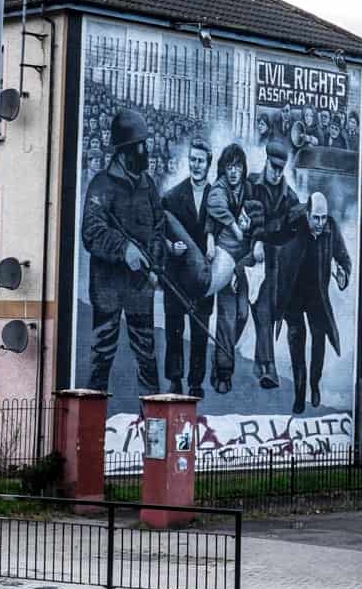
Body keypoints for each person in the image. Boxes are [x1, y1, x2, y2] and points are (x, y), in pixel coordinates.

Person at [81, 108, 165, 395]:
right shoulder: (101, 185)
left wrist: (153, 266)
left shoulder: (148, 185)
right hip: (107, 288)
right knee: (102, 356)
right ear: (128, 149)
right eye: (142, 144)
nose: (147, 150)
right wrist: (124, 248)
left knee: (147, 358)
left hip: (141, 286)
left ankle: (153, 425)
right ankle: (91, 427)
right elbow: (91, 232)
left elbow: (159, 227)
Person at [277, 191, 351, 413]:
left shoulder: (331, 228)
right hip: (293, 295)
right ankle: (300, 394)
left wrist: (342, 276)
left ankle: (314, 385)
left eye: (323, 218)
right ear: (307, 214)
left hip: (317, 295)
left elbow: (344, 259)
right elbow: (273, 237)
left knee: (319, 341)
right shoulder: (293, 224)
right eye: (315, 218)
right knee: (296, 342)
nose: (320, 223)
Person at [248, 139, 305, 390]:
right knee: (250, 313)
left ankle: (265, 365)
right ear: (266, 161)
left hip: (271, 262)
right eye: (273, 166)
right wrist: (257, 240)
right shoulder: (250, 184)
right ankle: (263, 365)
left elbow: (295, 229)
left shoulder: (289, 195)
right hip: (246, 256)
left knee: (266, 312)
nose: (277, 172)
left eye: (281, 169)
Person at [205, 142, 261, 394]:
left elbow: (260, 216)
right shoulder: (219, 188)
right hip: (225, 257)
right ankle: (224, 372)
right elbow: (214, 206)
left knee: (241, 316)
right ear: (223, 169)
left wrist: (252, 227)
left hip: (244, 262)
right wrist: (235, 227)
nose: (233, 171)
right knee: (227, 318)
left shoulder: (249, 189)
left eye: (238, 166)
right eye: (229, 166)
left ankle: (220, 360)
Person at [161, 139, 215, 398]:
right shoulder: (171, 197)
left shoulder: (218, 199)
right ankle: (174, 379)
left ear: (208, 164)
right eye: (193, 160)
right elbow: (157, 232)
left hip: (204, 276)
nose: (196, 165)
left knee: (200, 328)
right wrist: (171, 246)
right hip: (176, 273)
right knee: (174, 327)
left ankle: (195, 381)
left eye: (200, 161)